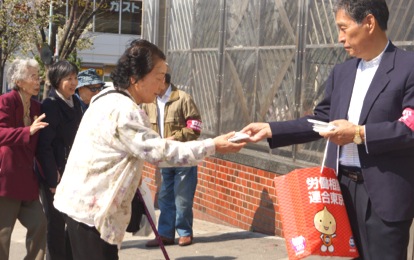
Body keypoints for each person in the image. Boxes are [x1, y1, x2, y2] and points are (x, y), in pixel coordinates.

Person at [241, 1, 414, 259]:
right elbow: (323, 118)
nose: (339, 38)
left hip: (383, 196)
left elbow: (409, 127)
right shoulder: (342, 72)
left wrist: (358, 133)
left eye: (343, 28)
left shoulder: (407, 67)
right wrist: (270, 129)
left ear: (369, 23)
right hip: (340, 191)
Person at [52, 39, 245, 259]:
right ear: (135, 79)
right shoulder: (124, 110)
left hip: (79, 207)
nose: (162, 84)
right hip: (92, 215)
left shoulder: (105, 98)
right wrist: (214, 145)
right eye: (158, 77)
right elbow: (161, 152)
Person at [142, 73, 202, 247]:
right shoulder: (149, 102)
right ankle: (165, 234)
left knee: (182, 196)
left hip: (183, 156)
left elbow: (195, 126)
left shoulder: (183, 98)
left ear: (163, 81)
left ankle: (184, 232)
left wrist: (176, 138)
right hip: (163, 158)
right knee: (164, 196)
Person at [0, 58, 48, 260]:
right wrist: (27, 130)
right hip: (7, 178)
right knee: (3, 234)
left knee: (40, 224)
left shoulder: (37, 106)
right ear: (19, 81)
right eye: (33, 77)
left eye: (38, 77)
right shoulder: (6, 101)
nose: (38, 81)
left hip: (28, 178)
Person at [36, 60, 83, 259]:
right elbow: (43, 146)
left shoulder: (77, 102)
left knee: (73, 220)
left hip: (73, 170)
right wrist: (52, 178)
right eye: (68, 79)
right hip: (55, 171)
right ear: (56, 81)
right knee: (55, 222)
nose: (73, 83)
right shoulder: (51, 104)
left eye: (75, 78)